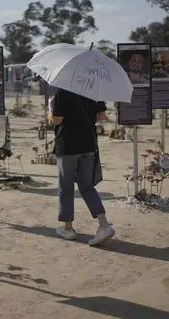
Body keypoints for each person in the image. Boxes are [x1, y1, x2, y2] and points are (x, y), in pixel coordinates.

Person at [50, 89, 114, 246]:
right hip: (88, 145)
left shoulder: (62, 93)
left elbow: (56, 120)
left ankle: (68, 228)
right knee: (87, 186)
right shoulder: (92, 90)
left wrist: (50, 111)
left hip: (67, 146)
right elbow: (102, 116)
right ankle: (104, 225)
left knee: (66, 186)